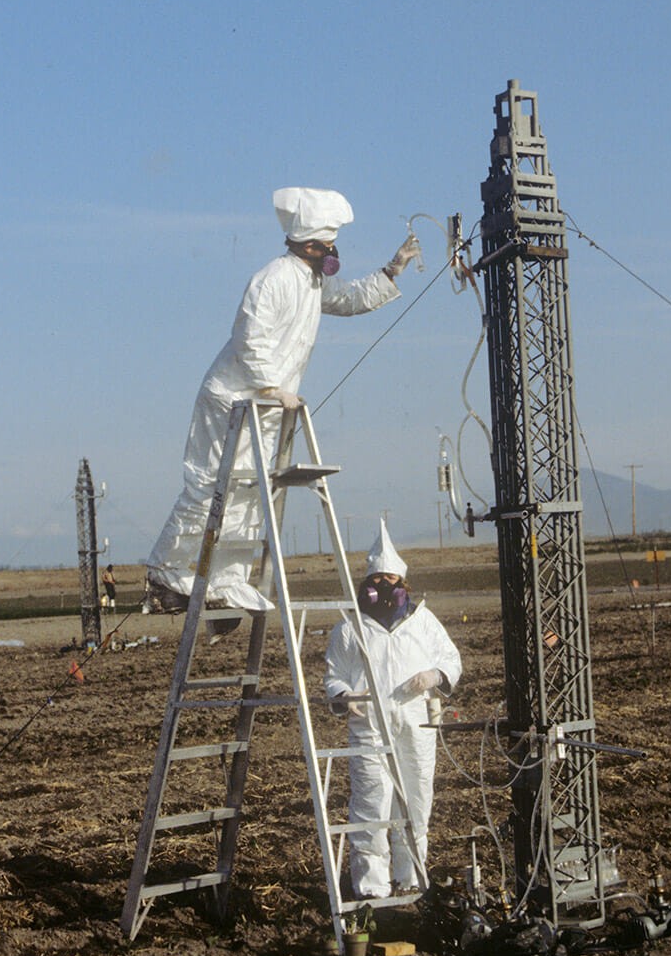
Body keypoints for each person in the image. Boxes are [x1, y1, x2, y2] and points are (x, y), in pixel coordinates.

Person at [147, 187, 420, 636]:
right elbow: (248, 337)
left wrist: (394, 270)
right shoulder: (272, 278)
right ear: (311, 245)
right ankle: (166, 571)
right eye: (328, 245)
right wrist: (271, 384)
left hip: (268, 404)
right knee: (210, 486)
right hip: (234, 398)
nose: (333, 252)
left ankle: (227, 578)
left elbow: (349, 299)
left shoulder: (312, 282)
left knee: (250, 493)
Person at [324, 520, 462, 900]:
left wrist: (435, 675)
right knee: (371, 802)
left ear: (402, 582)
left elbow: (451, 658)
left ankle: (412, 878)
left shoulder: (422, 621)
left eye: (391, 577)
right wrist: (344, 696)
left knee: (416, 799)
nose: (384, 585)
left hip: (415, 723)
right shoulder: (351, 627)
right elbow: (333, 674)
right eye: (378, 578)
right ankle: (371, 886)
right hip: (369, 725)